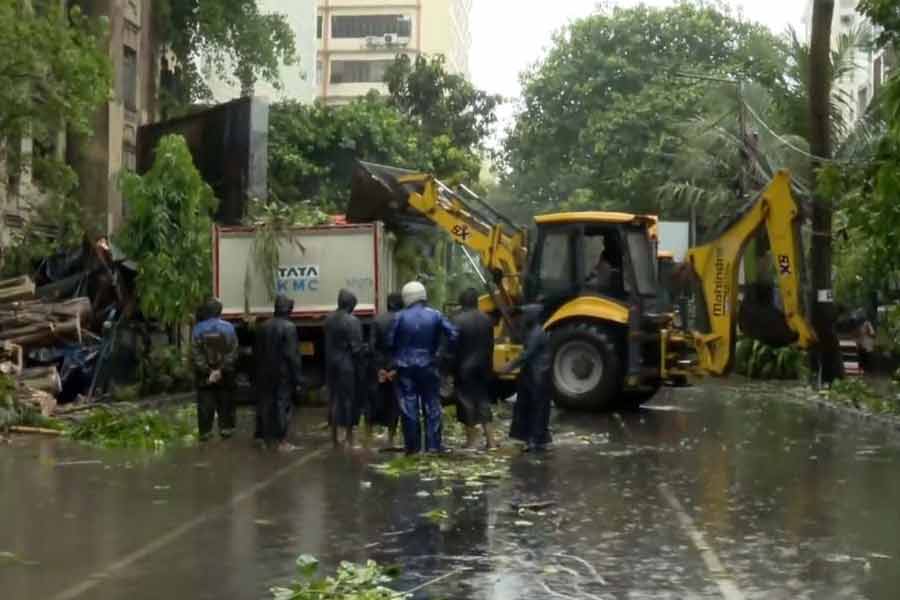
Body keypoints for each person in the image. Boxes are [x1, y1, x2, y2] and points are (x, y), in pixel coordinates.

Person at [388, 281, 458, 454]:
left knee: (408, 406)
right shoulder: (435, 315)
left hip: (405, 367)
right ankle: (433, 445)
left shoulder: (399, 316)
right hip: (429, 364)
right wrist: (439, 353)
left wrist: (397, 357)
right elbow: (453, 334)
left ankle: (412, 446)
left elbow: (389, 341)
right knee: (432, 405)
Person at [254, 294, 303, 451]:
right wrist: (298, 379)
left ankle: (262, 437)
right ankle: (281, 441)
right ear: (288, 310)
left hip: (263, 372)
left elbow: (257, 352)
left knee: (264, 403)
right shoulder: (289, 327)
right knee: (282, 404)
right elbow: (292, 355)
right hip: (282, 373)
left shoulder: (263, 326)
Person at [451, 287, 496, 450]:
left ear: (461, 302)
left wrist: (448, 369)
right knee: (483, 402)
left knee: (466, 403)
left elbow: (452, 348)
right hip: (483, 367)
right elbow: (491, 345)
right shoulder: (487, 319)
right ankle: (491, 441)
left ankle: (472, 442)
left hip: (464, 368)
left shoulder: (456, 320)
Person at [503, 304, 552, 452]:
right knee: (530, 407)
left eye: (524, 316)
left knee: (537, 408)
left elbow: (527, 354)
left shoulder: (537, 333)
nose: (521, 319)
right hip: (531, 375)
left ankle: (535, 440)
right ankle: (535, 438)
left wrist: (509, 366)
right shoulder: (531, 331)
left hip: (538, 376)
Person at [191, 297, 239, 441]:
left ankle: (205, 432)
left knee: (205, 402)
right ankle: (226, 429)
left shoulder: (197, 329)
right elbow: (233, 352)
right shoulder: (229, 327)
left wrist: (208, 371)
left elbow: (195, 353)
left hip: (204, 374)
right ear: (220, 311)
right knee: (226, 399)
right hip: (225, 373)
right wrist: (221, 370)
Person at [324, 289, 365, 448]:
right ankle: (348, 436)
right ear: (350, 304)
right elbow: (356, 348)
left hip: (331, 363)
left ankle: (334, 436)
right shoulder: (352, 321)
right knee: (348, 400)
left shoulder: (328, 319)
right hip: (346, 365)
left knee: (333, 399)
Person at [367, 292, 404, 448]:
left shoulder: (377, 320)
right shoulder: (403, 321)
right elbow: (405, 347)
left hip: (380, 369)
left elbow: (372, 346)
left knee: (375, 401)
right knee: (394, 404)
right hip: (397, 368)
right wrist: (396, 369)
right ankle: (391, 438)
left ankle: (367, 439)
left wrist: (379, 369)